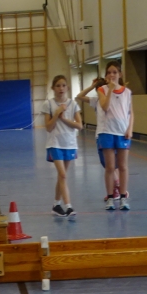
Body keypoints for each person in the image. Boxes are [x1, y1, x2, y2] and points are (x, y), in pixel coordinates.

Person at [77, 60, 134, 210]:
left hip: (122, 132)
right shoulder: (101, 90)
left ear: (120, 74)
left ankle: (123, 197)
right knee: (109, 167)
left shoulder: (127, 92)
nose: (111, 75)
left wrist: (130, 129)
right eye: (109, 72)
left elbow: (130, 113)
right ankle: (110, 198)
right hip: (106, 132)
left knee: (123, 166)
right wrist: (109, 90)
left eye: (115, 72)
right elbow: (105, 106)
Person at [44, 75, 82, 218]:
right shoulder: (48, 104)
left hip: (69, 144)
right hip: (55, 143)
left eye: (63, 85)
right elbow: (48, 127)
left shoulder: (73, 104)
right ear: (53, 88)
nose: (61, 88)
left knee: (62, 176)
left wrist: (64, 119)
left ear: (68, 87)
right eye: (58, 86)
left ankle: (56, 204)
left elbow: (79, 125)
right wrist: (56, 114)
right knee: (63, 175)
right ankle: (69, 206)